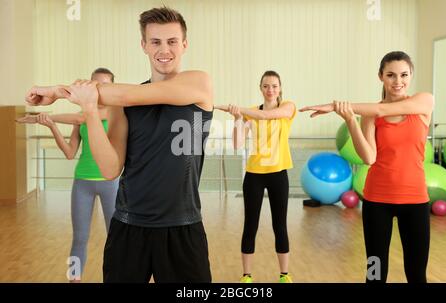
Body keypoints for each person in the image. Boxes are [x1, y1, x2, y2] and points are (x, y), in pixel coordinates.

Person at [25, 7, 213, 283]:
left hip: (183, 226)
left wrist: (58, 91)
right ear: (144, 46)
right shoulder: (120, 104)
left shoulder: (199, 84)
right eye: (155, 42)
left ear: (184, 44)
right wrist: (89, 110)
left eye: (172, 41)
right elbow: (111, 168)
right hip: (129, 226)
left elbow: (136, 93)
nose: (165, 49)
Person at [300, 51, 434, 283]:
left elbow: (382, 109)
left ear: (411, 75)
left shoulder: (424, 101)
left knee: (416, 274)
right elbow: (369, 157)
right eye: (390, 75)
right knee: (375, 273)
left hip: (415, 200)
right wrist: (351, 120)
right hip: (377, 201)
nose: (398, 81)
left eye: (403, 75)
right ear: (381, 76)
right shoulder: (370, 115)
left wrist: (334, 105)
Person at [18, 68, 119, 282]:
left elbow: (81, 116)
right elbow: (69, 152)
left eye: (104, 85)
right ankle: (74, 279)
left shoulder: (114, 113)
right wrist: (51, 125)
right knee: (79, 239)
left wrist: (41, 118)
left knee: (116, 240)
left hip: (111, 184)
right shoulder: (82, 121)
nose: (99, 90)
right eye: (94, 85)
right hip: (82, 182)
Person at [215, 70, 296, 283]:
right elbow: (237, 143)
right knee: (251, 224)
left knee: (280, 225)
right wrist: (238, 118)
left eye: (274, 86)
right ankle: (246, 275)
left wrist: (241, 110)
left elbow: (267, 116)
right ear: (260, 89)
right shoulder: (250, 112)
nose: (270, 90)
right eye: (266, 86)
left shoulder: (288, 107)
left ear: (280, 88)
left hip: (278, 174)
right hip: (254, 175)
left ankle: (284, 274)